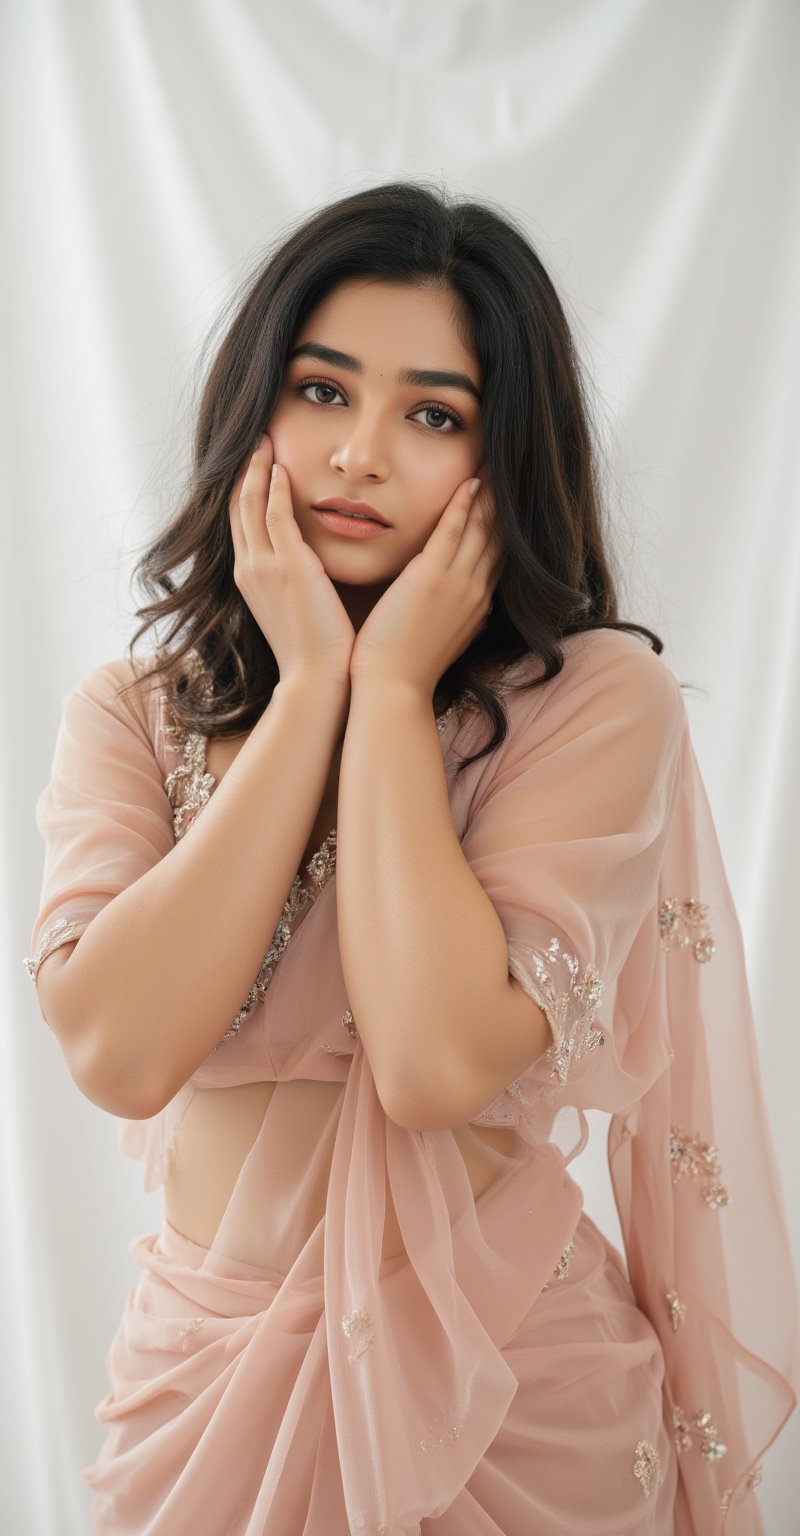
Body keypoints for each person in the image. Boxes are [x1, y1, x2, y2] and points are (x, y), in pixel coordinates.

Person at [25, 180, 798, 1535]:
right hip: (200, 1382)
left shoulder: (598, 702)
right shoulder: (132, 717)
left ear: (504, 458)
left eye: (433, 415)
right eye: (322, 393)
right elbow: (118, 1053)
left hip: (511, 1399)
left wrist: (391, 697)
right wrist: (314, 679)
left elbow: (439, 1063)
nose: (359, 454)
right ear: (252, 407)